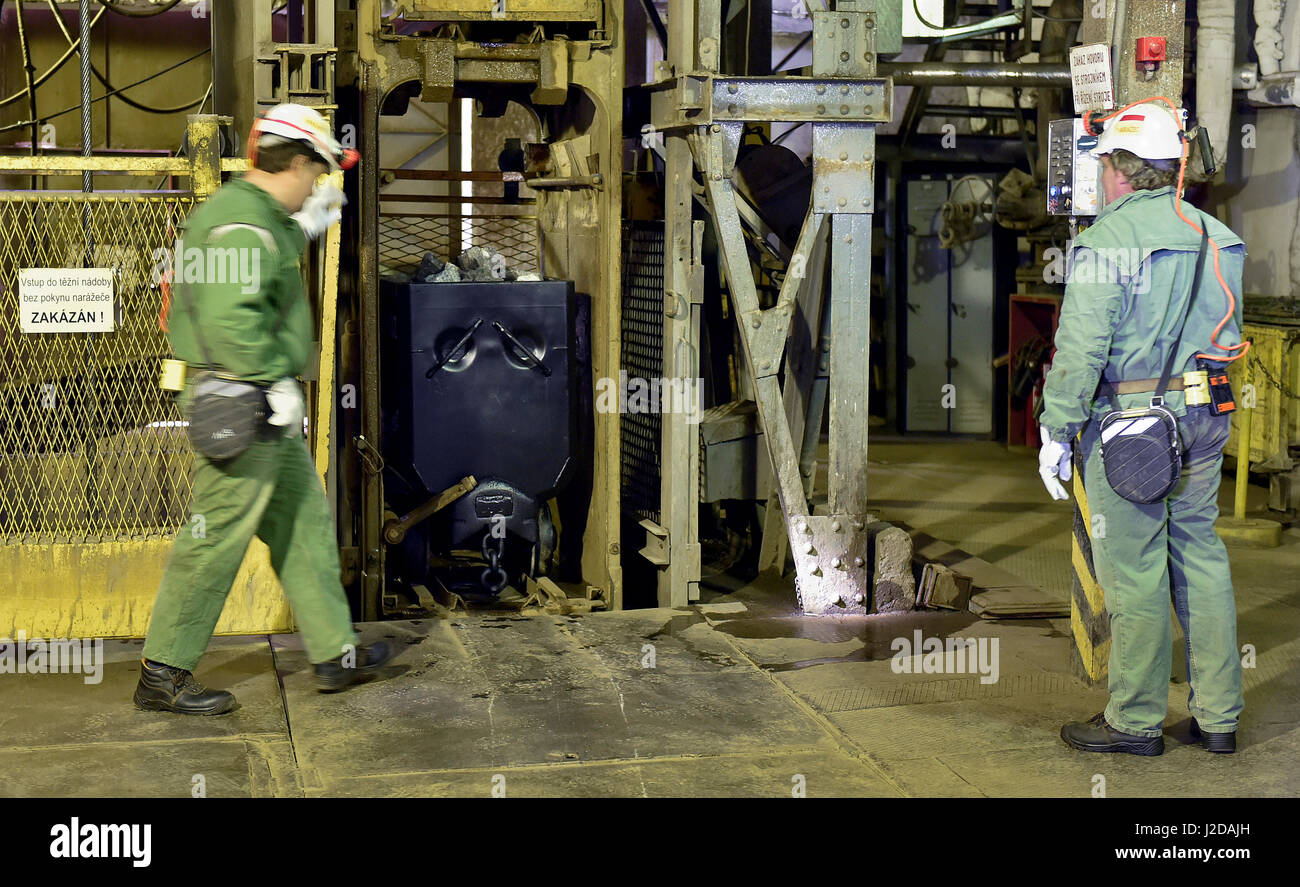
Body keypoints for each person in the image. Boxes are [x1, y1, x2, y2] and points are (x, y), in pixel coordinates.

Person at [135, 104, 392, 715]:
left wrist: (310, 221)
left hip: (258, 407)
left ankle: (335, 653)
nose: (322, 184)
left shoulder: (256, 217)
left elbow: (265, 260)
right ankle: (162, 673)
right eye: (321, 172)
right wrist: (265, 379)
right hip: (240, 402)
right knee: (215, 535)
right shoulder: (239, 225)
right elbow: (229, 318)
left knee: (302, 523)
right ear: (296, 162)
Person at [1038, 101, 1246, 755]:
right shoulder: (1219, 237)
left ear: (1122, 171)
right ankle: (1218, 717)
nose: (1102, 178)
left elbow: (1080, 350)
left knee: (1135, 570)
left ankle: (1133, 720)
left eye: (1106, 165)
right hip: (1207, 413)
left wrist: (1056, 428)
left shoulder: (1105, 242)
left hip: (1132, 428)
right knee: (1200, 555)